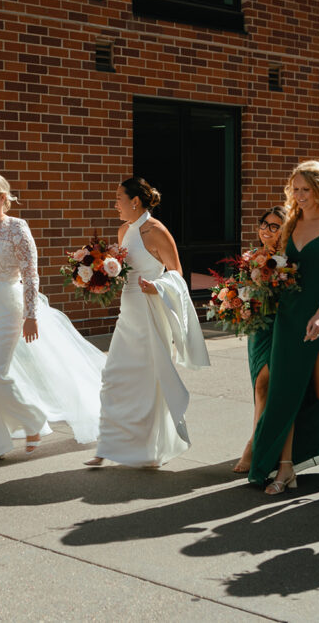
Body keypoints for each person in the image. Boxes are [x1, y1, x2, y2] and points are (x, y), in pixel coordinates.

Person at [0, 173, 105, 464]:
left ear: (3, 197)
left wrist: (31, 315)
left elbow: (30, 273)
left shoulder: (17, 228)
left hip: (6, 307)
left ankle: (33, 417)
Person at [248, 161, 319, 494]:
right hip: (289, 314)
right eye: (295, 189)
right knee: (286, 389)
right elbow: (280, 265)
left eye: (305, 190)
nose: (299, 196)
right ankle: (285, 469)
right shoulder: (293, 221)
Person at [84, 177, 210, 468]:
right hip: (127, 313)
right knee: (113, 378)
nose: (115, 204)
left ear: (135, 201)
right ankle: (106, 446)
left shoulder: (156, 231)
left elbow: (177, 272)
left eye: (119, 198)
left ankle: (151, 450)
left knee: (149, 382)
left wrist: (158, 286)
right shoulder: (123, 230)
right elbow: (122, 270)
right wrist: (99, 278)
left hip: (150, 313)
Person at [233, 206, 287, 474]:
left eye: (275, 226)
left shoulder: (287, 261)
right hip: (257, 330)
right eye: (264, 224)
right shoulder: (251, 258)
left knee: (267, 387)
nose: (266, 230)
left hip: (280, 327)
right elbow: (245, 291)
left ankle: (254, 445)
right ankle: (262, 441)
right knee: (260, 387)